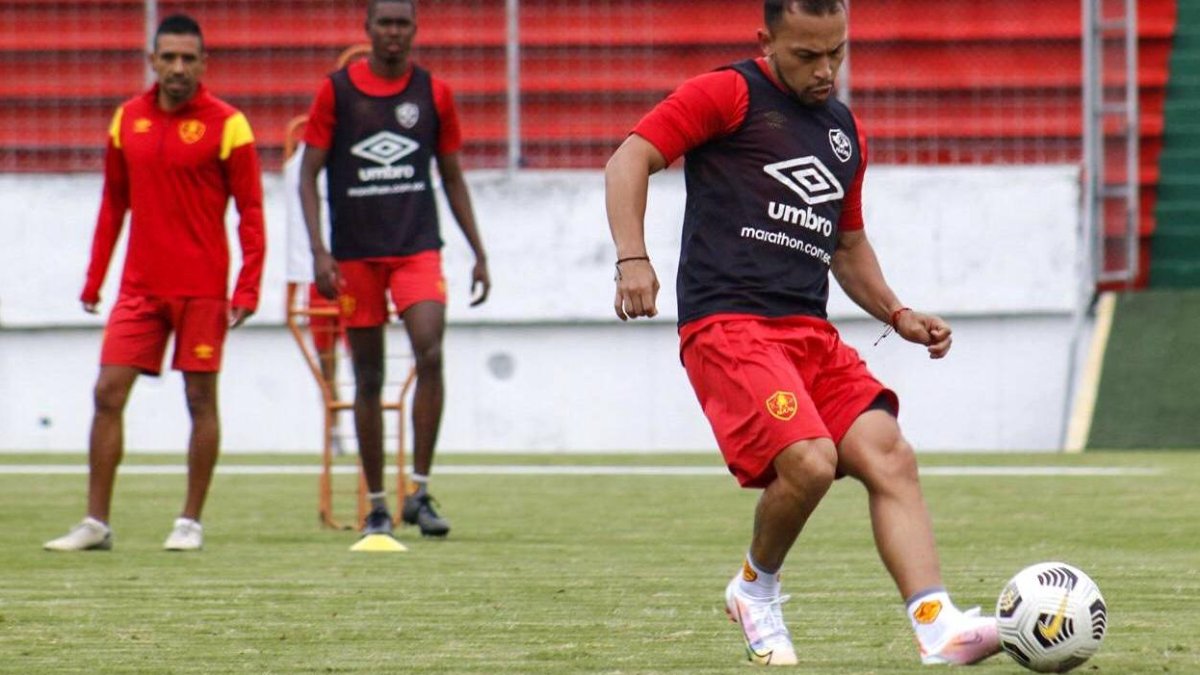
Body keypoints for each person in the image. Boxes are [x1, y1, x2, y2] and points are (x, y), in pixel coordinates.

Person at [604, 0, 1000, 666]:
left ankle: (938, 627)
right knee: (810, 461)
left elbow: (847, 244)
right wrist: (632, 258)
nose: (825, 70)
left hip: (808, 333)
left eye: (837, 52)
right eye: (807, 55)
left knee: (890, 454)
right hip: (730, 325)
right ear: (767, 40)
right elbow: (628, 159)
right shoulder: (728, 93)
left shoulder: (843, 131)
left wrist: (897, 313)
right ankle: (754, 589)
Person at [45, 14, 265, 552]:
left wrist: (248, 287)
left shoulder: (229, 124)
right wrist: (95, 278)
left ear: (204, 64)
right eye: (169, 57)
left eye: (189, 58)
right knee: (107, 392)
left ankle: (189, 522)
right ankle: (96, 523)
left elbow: (251, 211)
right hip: (140, 287)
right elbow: (113, 203)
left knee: (200, 397)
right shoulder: (127, 120)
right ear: (152, 61)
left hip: (202, 288)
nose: (178, 68)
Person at [298, 0, 490, 538]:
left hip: (415, 248)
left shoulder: (433, 93)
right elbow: (307, 174)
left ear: (414, 30)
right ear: (368, 29)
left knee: (430, 348)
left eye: (402, 23)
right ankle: (378, 503)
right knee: (369, 376)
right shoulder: (337, 91)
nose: (393, 32)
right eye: (384, 23)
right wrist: (318, 251)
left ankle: (419, 492)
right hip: (356, 254)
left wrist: (479, 251)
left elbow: (451, 176)